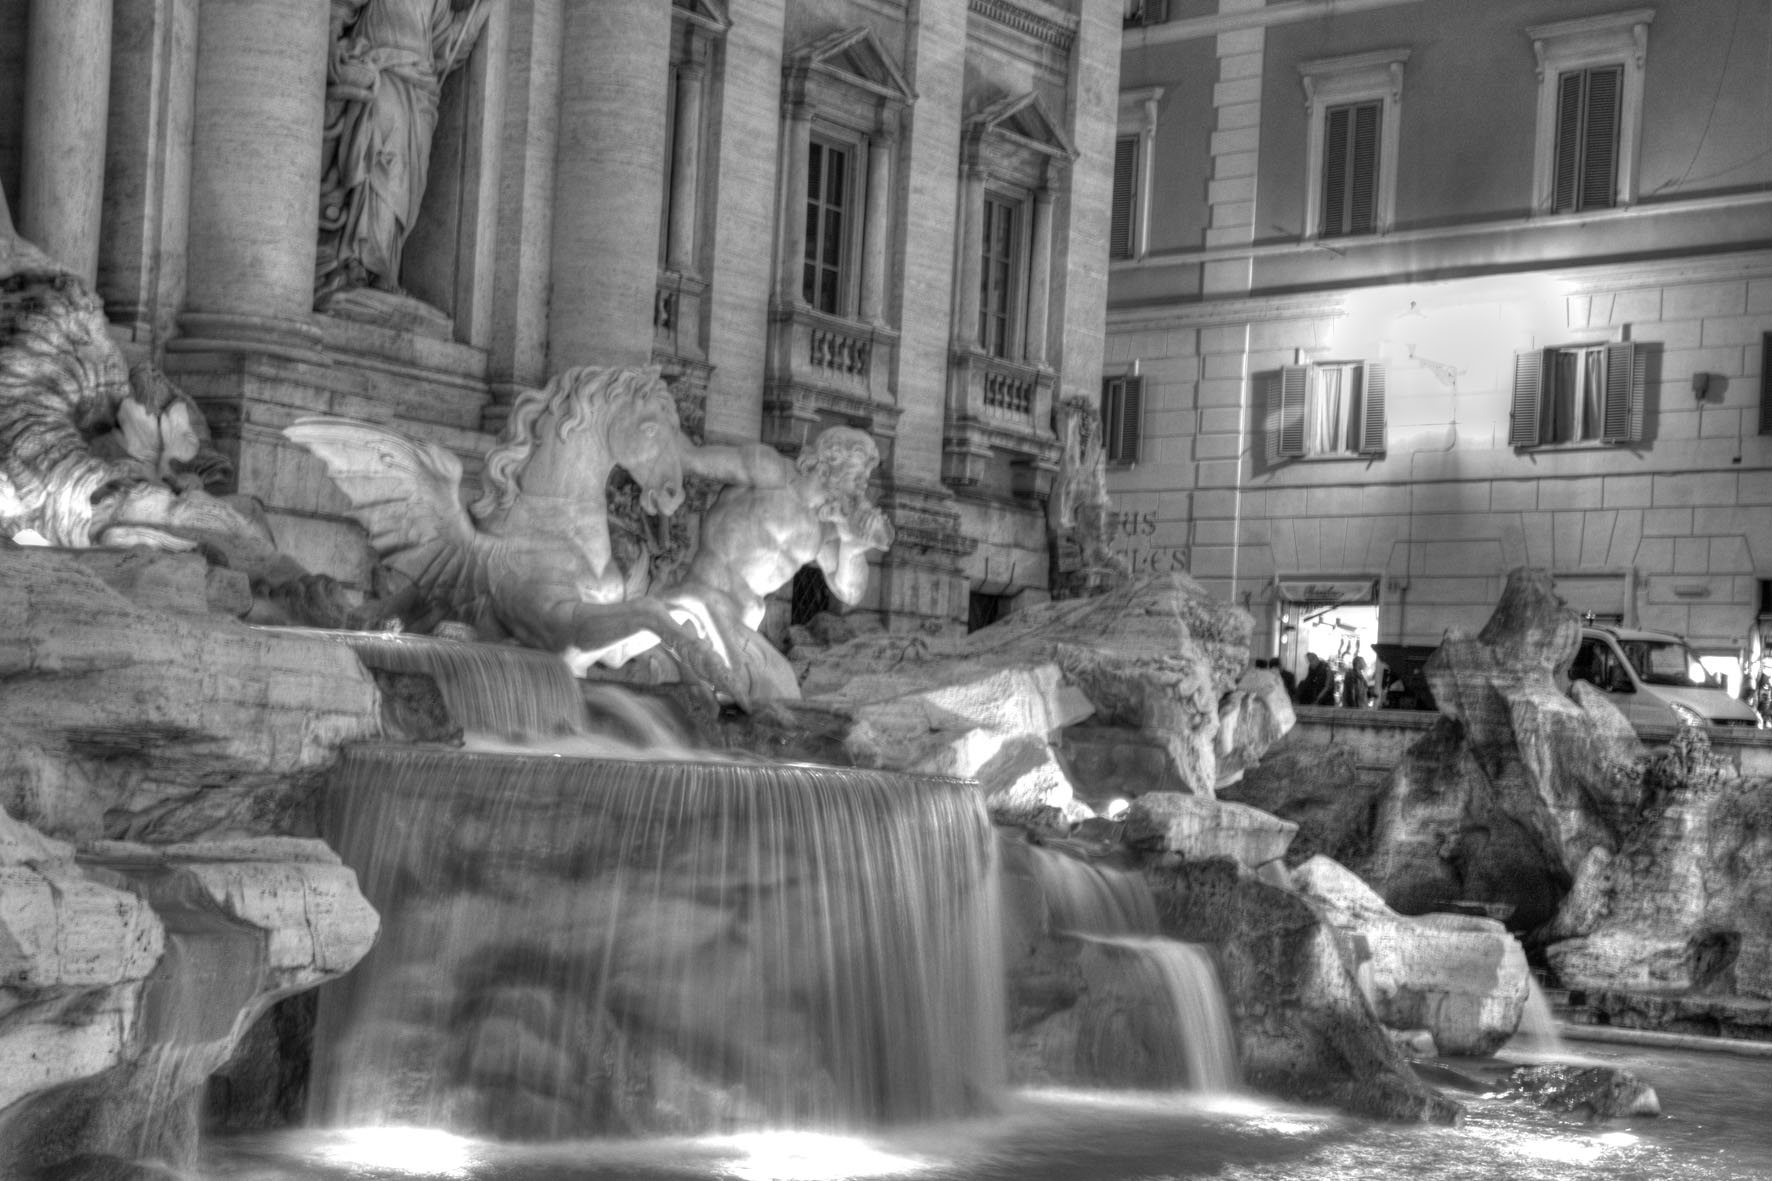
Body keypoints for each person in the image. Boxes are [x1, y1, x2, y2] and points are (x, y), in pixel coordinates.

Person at [651, 427, 895, 700]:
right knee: (774, 694)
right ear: (830, 463)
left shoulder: (824, 527)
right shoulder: (768, 471)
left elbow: (849, 593)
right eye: (859, 475)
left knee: (782, 697)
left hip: (744, 627)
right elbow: (690, 458)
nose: (863, 486)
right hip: (697, 604)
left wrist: (851, 549)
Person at [316, 0, 494, 303]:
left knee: (404, 183)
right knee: (381, 164)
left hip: (420, 90)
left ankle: (383, 264)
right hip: (383, 73)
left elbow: (447, 49)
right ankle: (356, 261)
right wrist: (333, 27)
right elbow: (344, 6)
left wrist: (479, 13)